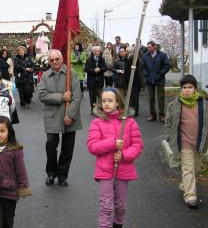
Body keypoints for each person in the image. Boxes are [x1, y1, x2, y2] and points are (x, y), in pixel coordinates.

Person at [87, 88, 143, 228]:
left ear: (117, 102)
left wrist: (124, 155)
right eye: (103, 101)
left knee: (120, 206)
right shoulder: (97, 123)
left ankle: (118, 224)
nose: (106, 103)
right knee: (106, 206)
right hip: (105, 170)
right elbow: (92, 146)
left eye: (110, 100)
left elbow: (137, 145)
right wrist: (112, 143)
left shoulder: (129, 122)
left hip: (123, 170)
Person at [163, 75, 208, 209]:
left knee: (196, 168)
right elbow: (169, 121)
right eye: (184, 88)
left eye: (190, 87)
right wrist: (169, 135)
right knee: (188, 168)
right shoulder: (174, 104)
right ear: (181, 89)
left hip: (200, 143)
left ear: (195, 88)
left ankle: (184, 184)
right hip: (184, 143)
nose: (187, 90)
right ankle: (190, 196)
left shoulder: (203, 104)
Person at [39, 49, 82, 186]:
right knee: (51, 145)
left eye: (57, 59)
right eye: (51, 60)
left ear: (62, 59)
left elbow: (77, 97)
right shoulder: (45, 76)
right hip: (52, 115)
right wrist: (61, 97)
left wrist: (70, 114)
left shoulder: (71, 73)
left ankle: (62, 175)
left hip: (69, 114)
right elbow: (42, 95)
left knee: (67, 147)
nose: (55, 62)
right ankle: (51, 173)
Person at [142, 40, 170, 122]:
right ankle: (152, 115)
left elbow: (167, 66)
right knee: (151, 98)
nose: (148, 49)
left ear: (154, 47)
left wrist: (160, 74)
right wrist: (146, 75)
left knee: (161, 98)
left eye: (150, 47)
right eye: (147, 47)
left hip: (160, 79)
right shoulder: (145, 56)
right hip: (149, 80)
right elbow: (142, 67)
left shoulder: (162, 55)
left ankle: (162, 115)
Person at [85, 46, 107, 115]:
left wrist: (100, 69)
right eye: (96, 51)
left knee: (100, 97)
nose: (97, 52)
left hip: (99, 82)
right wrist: (94, 70)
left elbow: (105, 68)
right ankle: (93, 109)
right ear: (93, 52)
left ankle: (100, 110)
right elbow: (86, 69)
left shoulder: (102, 59)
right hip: (91, 81)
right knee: (92, 97)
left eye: (98, 51)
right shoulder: (89, 59)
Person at [124, 46, 142, 116]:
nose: (125, 52)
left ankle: (134, 111)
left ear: (128, 51)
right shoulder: (132, 57)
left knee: (134, 97)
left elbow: (132, 70)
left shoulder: (132, 58)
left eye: (126, 50)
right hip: (134, 80)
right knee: (133, 97)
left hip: (133, 81)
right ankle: (134, 110)